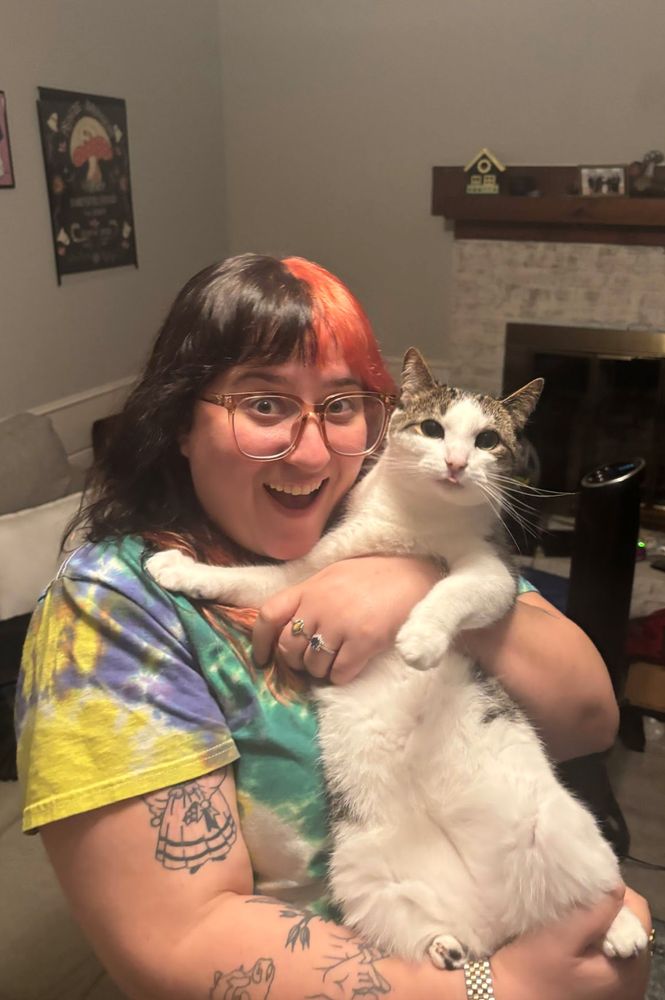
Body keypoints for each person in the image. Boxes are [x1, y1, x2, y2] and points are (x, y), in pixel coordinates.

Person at [16, 253, 651, 1000]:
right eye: (263, 405)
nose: (312, 450)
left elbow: (587, 717)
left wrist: (413, 578)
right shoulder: (111, 612)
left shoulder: (402, 508)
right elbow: (176, 941)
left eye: (342, 406)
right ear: (180, 422)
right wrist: (501, 986)